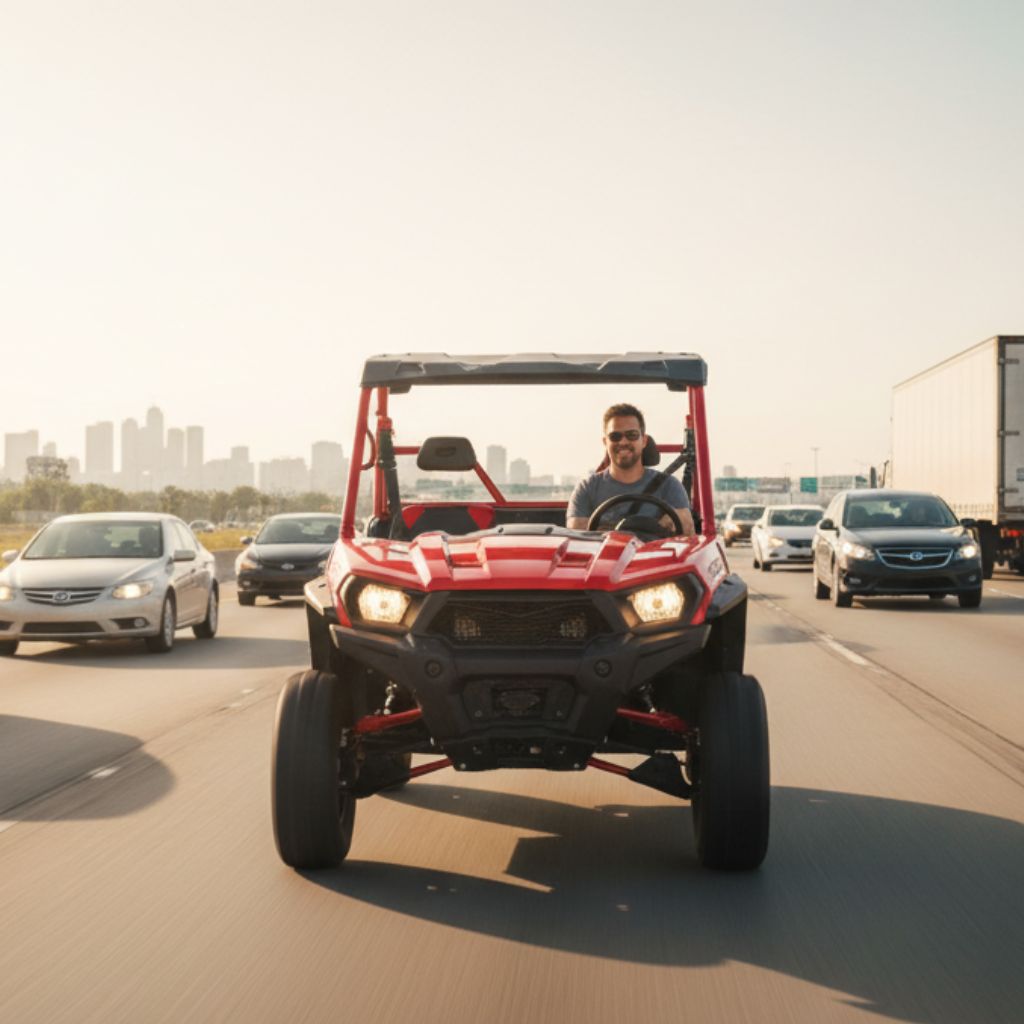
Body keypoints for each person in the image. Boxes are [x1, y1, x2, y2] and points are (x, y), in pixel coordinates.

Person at [566, 403, 695, 536]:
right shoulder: (587, 488)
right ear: (605, 442)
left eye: (632, 435)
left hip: (653, 556)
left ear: (644, 441)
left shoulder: (669, 486)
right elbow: (577, 536)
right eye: (615, 436)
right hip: (605, 556)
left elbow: (686, 533)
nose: (623, 442)